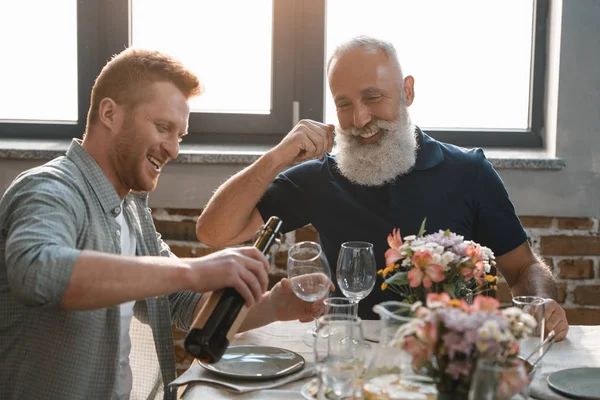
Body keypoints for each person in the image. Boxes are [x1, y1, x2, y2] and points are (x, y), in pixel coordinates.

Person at [196, 36, 569, 341]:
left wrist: (541, 305)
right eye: (345, 105)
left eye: (373, 98)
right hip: (354, 364)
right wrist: (277, 156)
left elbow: (523, 269)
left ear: (407, 91)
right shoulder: (317, 177)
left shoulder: (469, 171)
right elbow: (215, 232)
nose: (360, 119)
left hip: (450, 360)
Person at [0, 49, 322, 400]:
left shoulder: (131, 211)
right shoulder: (49, 188)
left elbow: (183, 305)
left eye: (179, 135)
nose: (173, 149)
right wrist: (193, 271)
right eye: (163, 127)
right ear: (109, 113)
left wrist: (275, 305)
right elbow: (37, 273)